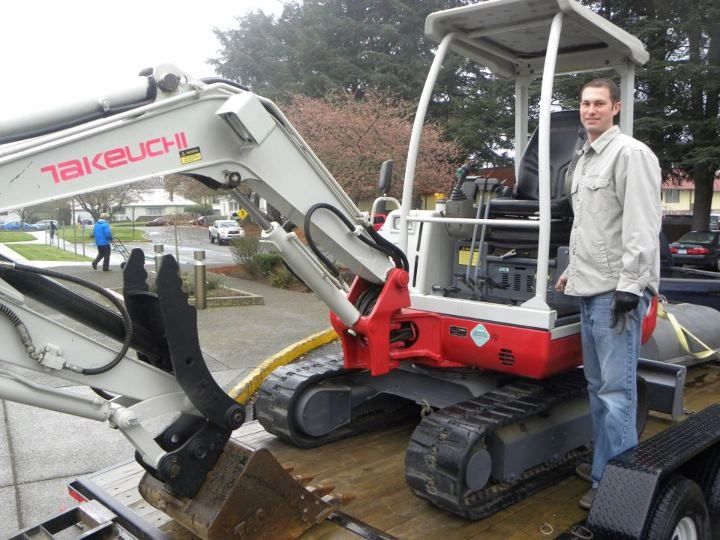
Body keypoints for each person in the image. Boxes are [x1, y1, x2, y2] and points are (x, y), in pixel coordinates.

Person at [554, 78, 661, 510]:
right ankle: (604, 467)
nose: (590, 110)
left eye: (599, 103)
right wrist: (570, 273)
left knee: (618, 393)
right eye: (584, 103)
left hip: (615, 294)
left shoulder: (630, 155)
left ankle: (617, 487)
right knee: (598, 386)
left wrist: (630, 287)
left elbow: (641, 225)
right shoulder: (585, 158)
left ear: (616, 108)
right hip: (589, 287)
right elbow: (590, 228)